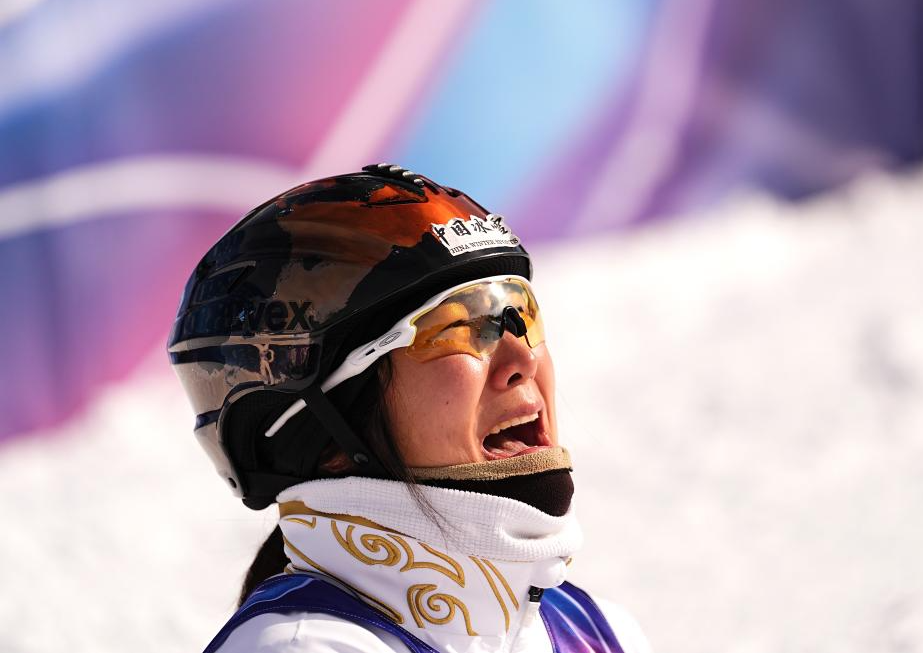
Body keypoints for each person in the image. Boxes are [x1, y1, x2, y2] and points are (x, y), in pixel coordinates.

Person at [168, 164, 652, 652]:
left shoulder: (600, 630)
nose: (523, 359)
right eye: (459, 327)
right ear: (331, 437)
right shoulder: (304, 647)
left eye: (523, 314)